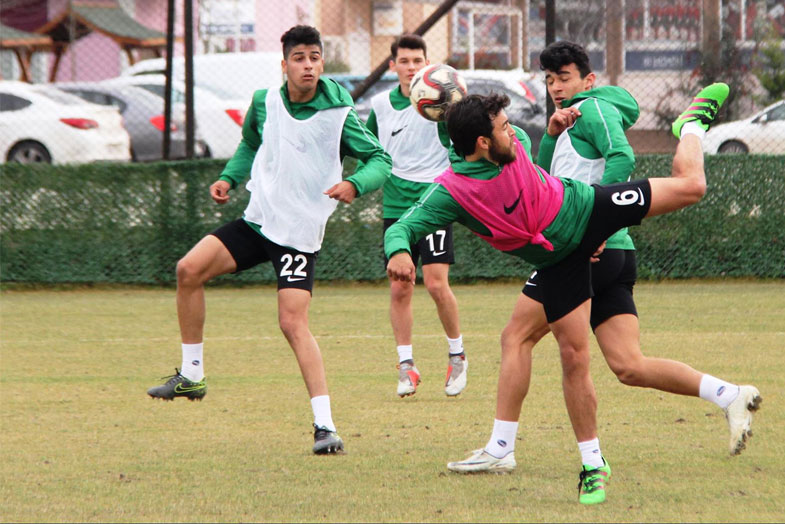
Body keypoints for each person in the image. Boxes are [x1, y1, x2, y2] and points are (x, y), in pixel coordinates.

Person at [384, 81, 741, 504]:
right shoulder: (452, 192)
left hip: (589, 206)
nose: (513, 132)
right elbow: (403, 226)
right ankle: (592, 464)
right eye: (502, 127)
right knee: (574, 355)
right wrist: (400, 252)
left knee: (692, 187)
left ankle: (691, 126)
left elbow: (530, 165)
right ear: (481, 143)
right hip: (562, 262)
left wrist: (548, 134)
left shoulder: (507, 146)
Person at [446, 41, 762, 481]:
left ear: (588, 81)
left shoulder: (592, 109)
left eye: (565, 78)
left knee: (516, 337)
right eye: (550, 80)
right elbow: (542, 181)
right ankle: (728, 394)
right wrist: (553, 136)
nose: (557, 88)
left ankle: (502, 448)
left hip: (589, 246)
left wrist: (598, 228)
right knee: (628, 365)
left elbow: (622, 158)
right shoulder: (565, 122)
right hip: (610, 251)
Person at [146, 25, 392, 455]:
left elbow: (379, 159)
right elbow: (249, 144)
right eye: (300, 58)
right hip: (258, 221)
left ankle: (325, 426)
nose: (309, 65)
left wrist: (355, 184)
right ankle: (192, 375)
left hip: (297, 234)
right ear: (285, 65)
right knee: (188, 270)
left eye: (315, 57)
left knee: (292, 324)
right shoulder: (265, 102)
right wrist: (229, 177)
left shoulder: (338, 112)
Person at [365, 34, 467, 398]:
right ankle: (406, 367)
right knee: (400, 286)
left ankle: (457, 356)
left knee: (437, 284)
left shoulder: (444, 103)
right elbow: (371, 153)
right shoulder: (379, 104)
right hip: (396, 206)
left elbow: (459, 148)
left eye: (417, 61)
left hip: (435, 202)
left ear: (428, 64)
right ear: (393, 66)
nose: (411, 67)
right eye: (404, 61)